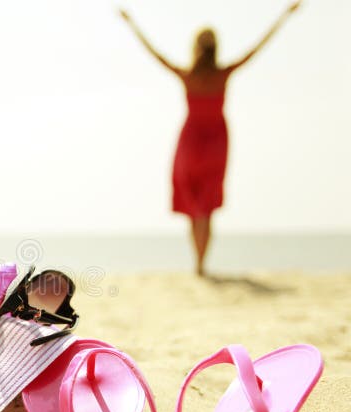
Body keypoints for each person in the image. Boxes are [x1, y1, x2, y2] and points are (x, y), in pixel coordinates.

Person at [119, 3, 301, 276]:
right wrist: (284, 17)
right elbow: (257, 47)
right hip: (216, 141)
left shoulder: (188, 75)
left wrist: (132, 25)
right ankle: (201, 263)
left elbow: (155, 54)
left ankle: (199, 263)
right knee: (206, 208)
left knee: (194, 208)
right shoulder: (222, 73)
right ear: (216, 48)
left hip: (191, 141)